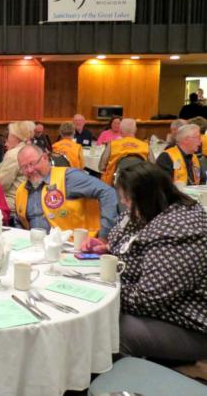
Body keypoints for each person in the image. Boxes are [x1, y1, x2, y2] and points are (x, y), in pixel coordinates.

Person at [99, 162, 207, 362]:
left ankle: (117, 379)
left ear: (148, 196)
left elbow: (148, 300)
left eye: (127, 198)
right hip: (152, 306)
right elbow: (124, 240)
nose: (123, 202)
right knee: (100, 321)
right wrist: (107, 249)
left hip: (186, 321)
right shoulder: (148, 210)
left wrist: (104, 289)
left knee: (108, 332)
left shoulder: (179, 229)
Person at [15, 145, 118, 238]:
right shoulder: (21, 191)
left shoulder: (68, 177)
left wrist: (104, 235)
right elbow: (19, 222)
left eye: (33, 163)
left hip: (75, 246)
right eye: (24, 167)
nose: (29, 170)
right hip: (37, 247)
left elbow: (108, 193)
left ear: (45, 158)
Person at [99, 118, 150, 186]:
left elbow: (101, 167)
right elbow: (152, 166)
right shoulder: (145, 146)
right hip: (140, 185)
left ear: (120, 130)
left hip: (113, 186)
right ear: (135, 130)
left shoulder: (112, 145)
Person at [0, 121, 34, 212]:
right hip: (30, 200)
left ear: (15, 136)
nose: (7, 139)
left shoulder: (13, 155)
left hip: (13, 202)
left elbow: (1, 183)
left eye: (9, 135)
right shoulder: (32, 150)